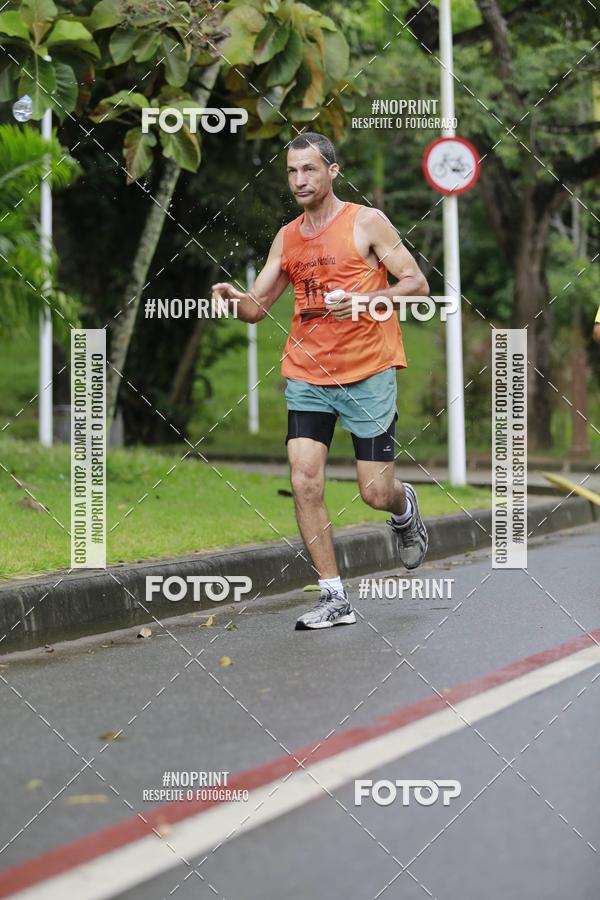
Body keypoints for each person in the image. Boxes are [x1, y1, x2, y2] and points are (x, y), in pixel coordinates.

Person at [212, 132, 430, 631]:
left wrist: (366, 301)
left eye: (309, 169)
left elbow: (416, 284)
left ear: (333, 171)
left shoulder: (366, 222)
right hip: (308, 373)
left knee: (375, 491)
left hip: (368, 371)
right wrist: (232, 299)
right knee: (304, 479)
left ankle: (403, 507)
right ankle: (334, 597)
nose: (299, 180)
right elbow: (256, 308)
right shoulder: (288, 238)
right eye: (292, 171)